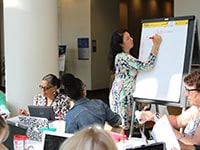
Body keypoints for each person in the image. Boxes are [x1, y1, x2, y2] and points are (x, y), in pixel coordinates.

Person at [108, 29, 162, 132]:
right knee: (126, 127)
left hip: (126, 95)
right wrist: (156, 45)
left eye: (130, 37)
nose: (131, 39)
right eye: (127, 39)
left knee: (131, 124)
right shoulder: (122, 57)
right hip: (122, 97)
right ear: (121, 44)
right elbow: (146, 65)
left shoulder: (126, 56)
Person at [139, 70, 200, 146]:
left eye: (190, 91)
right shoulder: (195, 108)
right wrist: (154, 116)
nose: (186, 94)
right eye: (186, 89)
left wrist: (172, 132)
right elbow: (178, 121)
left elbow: (195, 144)